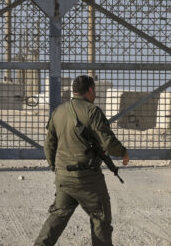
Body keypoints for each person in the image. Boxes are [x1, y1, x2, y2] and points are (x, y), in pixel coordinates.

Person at [33, 75, 130, 246]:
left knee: (56, 219)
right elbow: (107, 142)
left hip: (64, 177)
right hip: (88, 179)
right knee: (100, 219)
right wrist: (122, 152)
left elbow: (49, 145)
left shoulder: (59, 111)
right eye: (95, 91)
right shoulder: (92, 111)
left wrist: (56, 168)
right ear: (90, 90)